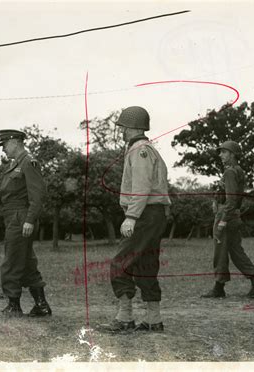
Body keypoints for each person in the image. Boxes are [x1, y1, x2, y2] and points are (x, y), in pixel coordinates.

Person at [98, 106, 171, 333]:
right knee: (145, 265)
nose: (121, 131)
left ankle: (125, 317)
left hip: (144, 214)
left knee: (120, 263)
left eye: (123, 127)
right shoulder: (146, 149)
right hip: (152, 214)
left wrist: (131, 216)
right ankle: (153, 319)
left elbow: (141, 187)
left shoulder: (139, 150)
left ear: (131, 127)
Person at [0, 129, 51, 317]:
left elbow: (37, 194)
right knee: (26, 263)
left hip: (21, 219)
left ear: (16, 142)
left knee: (12, 262)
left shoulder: (28, 163)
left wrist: (30, 220)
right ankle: (41, 305)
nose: (3, 150)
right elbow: (11, 195)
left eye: (5, 145)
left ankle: (14, 305)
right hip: (15, 217)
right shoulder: (16, 164)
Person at [201, 140, 254, 299]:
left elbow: (231, 199)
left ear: (233, 154)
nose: (221, 155)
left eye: (224, 152)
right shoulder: (238, 170)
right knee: (236, 252)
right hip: (233, 214)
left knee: (220, 251)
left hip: (227, 214)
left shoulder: (230, 172)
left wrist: (223, 220)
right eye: (220, 152)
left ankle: (219, 288)